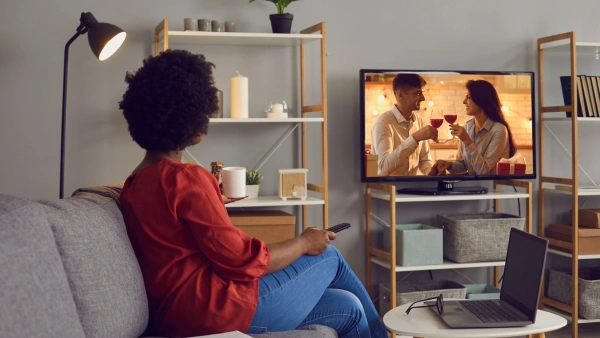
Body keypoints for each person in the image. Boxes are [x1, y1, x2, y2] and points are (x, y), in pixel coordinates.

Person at [118, 49, 388, 338]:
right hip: (214, 312)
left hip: (177, 313)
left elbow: (172, 228)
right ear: (194, 117)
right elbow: (242, 261)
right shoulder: (186, 178)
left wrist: (211, 198)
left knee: (348, 306)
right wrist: (303, 242)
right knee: (329, 255)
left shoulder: (133, 183)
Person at [429, 79, 516, 176]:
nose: (464, 101)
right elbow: (463, 165)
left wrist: (467, 141)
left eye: (468, 97)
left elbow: (483, 171)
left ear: (481, 100)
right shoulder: (467, 127)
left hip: (493, 187)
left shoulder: (499, 130)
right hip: (473, 186)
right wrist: (449, 165)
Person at [370, 73, 438, 176]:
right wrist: (414, 138)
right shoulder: (383, 123)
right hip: (389, 190)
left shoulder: (419, 122)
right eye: (418, 93)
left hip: (412, 188)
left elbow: (424, 160)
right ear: (400, 95)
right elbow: (382, 168)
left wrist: (431, 171)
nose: (423, 98)